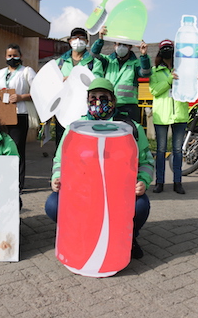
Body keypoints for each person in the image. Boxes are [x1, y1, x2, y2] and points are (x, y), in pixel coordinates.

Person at [44, 78, 154, 259]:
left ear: (113, 100)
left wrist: (143, 181)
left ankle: (129, 238)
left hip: (117, 193)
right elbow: (60, 159)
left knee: (140, 205)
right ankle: (79, 235)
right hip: (84, 192)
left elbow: (146, 161)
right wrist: (57, 178)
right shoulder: (75, 128)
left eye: (103, 97)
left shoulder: (130, 127)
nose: (97, 101)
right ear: (86, 100)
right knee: (53, 205)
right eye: (93, 97)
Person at [0, 44, 36, 190]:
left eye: (15, 55)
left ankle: (18, 183)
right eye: (9, 55)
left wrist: (21, 97)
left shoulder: (26, 72)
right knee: (1, 148)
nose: (12, 58)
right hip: (2, 115)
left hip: (19, 115)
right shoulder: (0, 73)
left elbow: (38, 92)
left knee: (16, 149)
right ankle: (3, 181)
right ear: (5, 57)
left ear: (21, 56)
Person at [149, 39, 189, 194]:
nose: (167, 51)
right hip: (162, 115)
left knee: (178, 150)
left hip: (180, 113)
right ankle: (159, 182)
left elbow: (189, 92)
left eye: (170, 48)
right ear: (160, 51)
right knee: (160, 150)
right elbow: (154, 90)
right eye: (164, 48)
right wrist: (169, 80)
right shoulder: (154, 71)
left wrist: (196, 83)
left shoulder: (183, 69)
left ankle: (177, 182)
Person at [54, 27, 104, 145]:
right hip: (63, 110)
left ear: (87, 42)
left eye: (81, 38)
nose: (78, 40)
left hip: (85, 110)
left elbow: (96, 83)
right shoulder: (59, 62)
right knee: (63, 144)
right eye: (75, 38)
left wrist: (73, 79)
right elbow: (52, 84)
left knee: (84, 143)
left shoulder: (94, 63)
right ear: (70, 41)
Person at [90, 26, 151, 122]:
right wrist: (100, 39)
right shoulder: (108, 61)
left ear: (130, 47)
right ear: (114, 46)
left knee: (131, 134)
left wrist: (144, 55)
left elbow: (146, 73)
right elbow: (93, 54)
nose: (121, 47)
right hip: (109, 105)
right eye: (118, 44)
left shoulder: (136, 63)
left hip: (129, 107)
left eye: (124, 44)